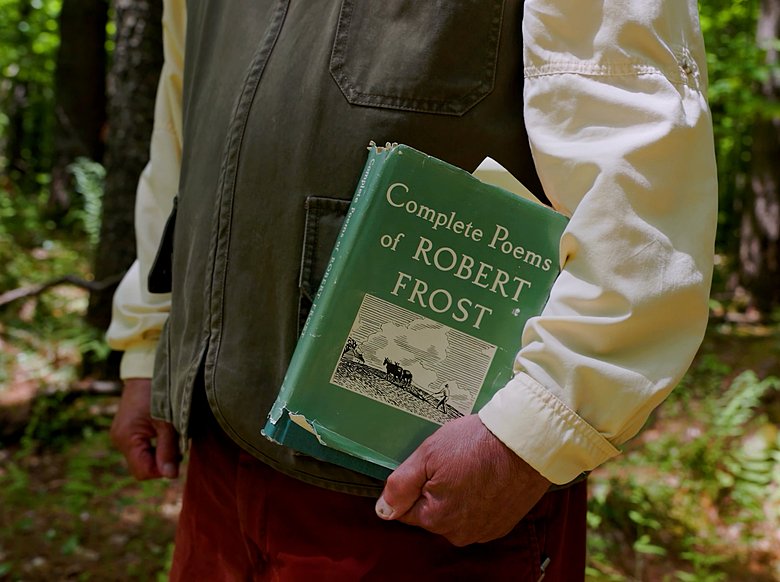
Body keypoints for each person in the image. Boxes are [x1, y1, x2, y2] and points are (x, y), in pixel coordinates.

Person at [107, 0, 717, 580]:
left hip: (426, 488)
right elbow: (185, 124)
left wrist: (535, 428)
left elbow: (638, 156)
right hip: (220, 444)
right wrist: (151, 339)